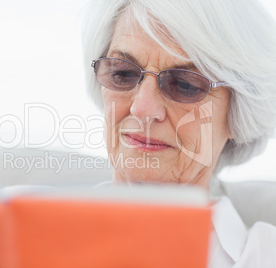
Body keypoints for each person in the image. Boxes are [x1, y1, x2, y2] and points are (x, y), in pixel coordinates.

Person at [82, 0, 276, 266]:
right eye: (123, 73)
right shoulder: (26, 230)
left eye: (185, 85)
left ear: (237, 113)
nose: (142, 109)